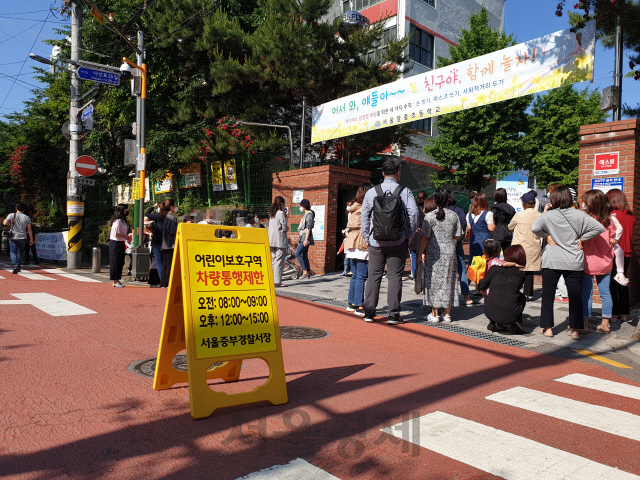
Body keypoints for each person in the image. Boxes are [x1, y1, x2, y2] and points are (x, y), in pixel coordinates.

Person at [532, 186, 605, 339]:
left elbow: (535, 228)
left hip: (552, 259)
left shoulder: (548, 215)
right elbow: (599, 227)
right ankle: (575, 330)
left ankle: (548, 328)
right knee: (575, 296)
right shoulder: (580, 214)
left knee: (548, 295)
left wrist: (546, 237)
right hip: (573, 260)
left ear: (554, 199)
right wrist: (582, 238)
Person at [361, 158, 419, 325]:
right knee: (395, 277)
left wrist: (367, 237)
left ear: (383, 172)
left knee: (373, 276)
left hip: (376, 242)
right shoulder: (404, 191)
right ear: (398, 173)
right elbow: (413, 213)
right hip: (397, 241)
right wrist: (409, 233)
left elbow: (364, 217)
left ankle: (369, 313)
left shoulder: (371, 192)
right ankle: (393, 315)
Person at [417, 190, 462, 323]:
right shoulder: (454, 216)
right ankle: (447, 314)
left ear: (435, 200)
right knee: (449, 280)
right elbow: (457, 235)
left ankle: (434, 313)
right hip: (449, 251)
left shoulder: (429, 216)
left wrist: (420, 253)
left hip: (433, 251)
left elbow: (425, 237)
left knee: (433, 281)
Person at [581, 190, 618, 334]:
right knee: (605, 293)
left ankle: (584, 325)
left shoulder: (587, 220)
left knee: (586, 293)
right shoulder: (610, 220)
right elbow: (614, 237)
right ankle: (605, 324)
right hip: (606, 261)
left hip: (588, 261)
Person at [478, 245, 528, 335]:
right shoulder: (521, 275)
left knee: (494, 293)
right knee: (521, 297)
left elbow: (481, 285)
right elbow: (514, 290)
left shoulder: (495, 268)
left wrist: (484, 294)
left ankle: (492, 321)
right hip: (510, 314)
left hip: (489, 310)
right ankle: (516, 323)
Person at [607, 189, 636, 323]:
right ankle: (624, 313)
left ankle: (614, 314)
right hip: (627, 253)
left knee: (612, 284)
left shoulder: (613, 216)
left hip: (614, 252)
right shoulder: (631, 216)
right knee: (622, 283)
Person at [508, 192, 542, 300]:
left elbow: (510, 227)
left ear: (523, 204)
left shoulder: (519, 215)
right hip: (533, 246)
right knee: (529, 270)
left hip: (520, 247)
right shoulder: (539, 216)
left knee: (517, 269)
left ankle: (515, 290)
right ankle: (528, 293)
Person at [344, 184, 371, 317]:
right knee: (361, 274)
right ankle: (359, 305)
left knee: (355, 274)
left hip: (351, 239)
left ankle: (352, 302)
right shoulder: (365, 207)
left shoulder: (352, 207)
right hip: (361, 239)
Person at [446, 190, 473, 305]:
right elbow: (463, 224)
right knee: (462, 268)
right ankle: (466, 296)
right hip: (456, 244)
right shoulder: (458, 211)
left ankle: (444, 297)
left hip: (442, 245)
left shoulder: (439, 211)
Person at [467, 193, 495, 295]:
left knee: (473, 263)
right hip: (484, 240)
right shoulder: (488, 214)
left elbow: (469, 228)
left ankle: (466, 287)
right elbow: (491, 228)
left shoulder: (469, 214)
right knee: (484, 264)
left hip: (474, 241)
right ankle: (478, 288)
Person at [2, 203, 33, 274]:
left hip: (13, 236)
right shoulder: (27, 217)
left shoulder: (12, 215)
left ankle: (15, 265)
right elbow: (29, 228)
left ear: (16, 208)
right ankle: (18, 266)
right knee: (20, 252)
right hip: (23, 237)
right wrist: (31, 238)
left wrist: (6, 220)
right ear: (24, 209)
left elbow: (5, 223)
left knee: (13, 251)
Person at [268, 196, 288, 287]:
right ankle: (277, 281)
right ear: (282, 204)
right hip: (280, 241)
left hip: (271, 240)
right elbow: (284, 226)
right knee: (279, 261)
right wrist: (287, 228)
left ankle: (272, 279)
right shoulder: (281, 213)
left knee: (274, 260)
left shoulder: (272, 213)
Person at [108, 204, 129, 287]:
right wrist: (125, 236)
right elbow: (115, 234)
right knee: (115, 261)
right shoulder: (117, 221)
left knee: (120, 261)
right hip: (115, 243)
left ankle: (117, 280)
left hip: (120, 242)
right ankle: (115, 281)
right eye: (126, 209)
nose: (127, 211)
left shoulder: (123, 221)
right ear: (122, 210)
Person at [145, 202, 166, 280]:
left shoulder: (158, 216)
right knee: (165, 263)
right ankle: (167, 280)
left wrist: (153, 206)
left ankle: (163, 281)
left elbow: (147, 214)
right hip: (167, 243)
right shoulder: (169, 217)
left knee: (159, 263)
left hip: (157, 242)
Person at [160, 199, 178, 288]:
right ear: (171, 207)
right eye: (175, 206)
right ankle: (168, 283)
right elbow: (173, 231)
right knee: (170, 265)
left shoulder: (165, 216)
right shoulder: (172, 218)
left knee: (165, 265)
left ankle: (163, 283)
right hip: (170, 244)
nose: (176, 208)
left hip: (164, 244)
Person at [409, 191, 427, 282]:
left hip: (414, 235)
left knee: (414, 256)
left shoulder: (414, 208)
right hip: (424, 236)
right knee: (424, 257)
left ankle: (416, 277)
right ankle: (423, 278)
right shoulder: (428, 209)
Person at [296, 199, 315, 279]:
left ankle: (305, 271)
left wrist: (306, 239)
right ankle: (309, 271)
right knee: (304, 255)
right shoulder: (307, 214)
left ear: (303, 206)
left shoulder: (309, 214)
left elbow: (309, 227)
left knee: (298, 253)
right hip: (304, 236)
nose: (300, 207)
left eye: (300, 206)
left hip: (305, 236)